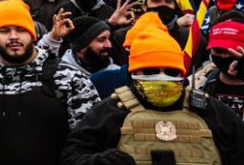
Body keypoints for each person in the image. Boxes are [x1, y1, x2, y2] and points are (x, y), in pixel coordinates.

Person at [0, 0, 100, 165]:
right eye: (4, 30)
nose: (13, 37)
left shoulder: (69, 78)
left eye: (20, 29)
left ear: (32, 34)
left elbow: (90, 142)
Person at [61, 22, 244, 164]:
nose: (162, 78)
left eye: (171, 72)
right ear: (135, 73)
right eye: (150, 71)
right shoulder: (111, 111)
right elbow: (71, 157)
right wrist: (99, 162)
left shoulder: (211, 112)